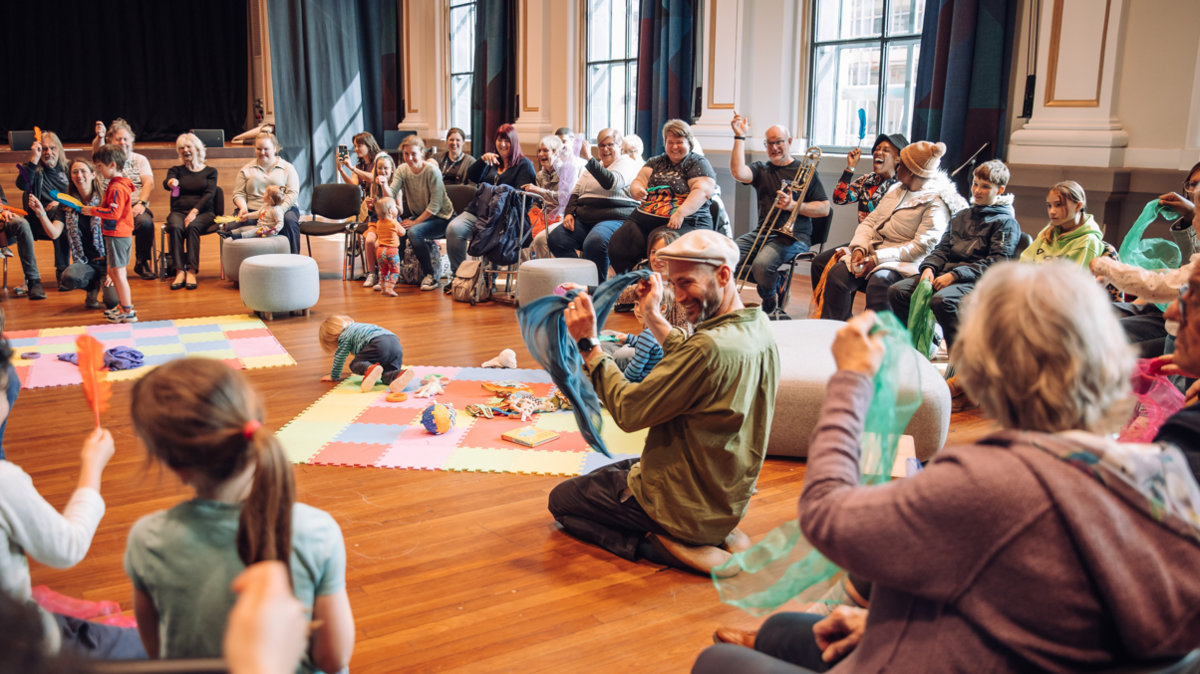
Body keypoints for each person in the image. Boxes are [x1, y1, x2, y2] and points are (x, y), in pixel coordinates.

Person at [711, 262, 1200, 673]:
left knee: (719, 663)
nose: (1175, 309)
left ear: (983, 368)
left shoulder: (991, 478)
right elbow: (1042, 599)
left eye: (1190, 295)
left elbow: (826, 514)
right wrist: (887, 622)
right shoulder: (1166, 472)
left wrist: (852, 380)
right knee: (782, 629)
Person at [551, 229, 778, 575]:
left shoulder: (709, 348)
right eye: (672, 284)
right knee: (623, 467)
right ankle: (716, 533)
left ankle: (659, 541)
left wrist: (589, 345)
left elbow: (628, 410)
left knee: (562, 502)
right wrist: (653, 317)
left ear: (723, 274)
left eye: (686, 282)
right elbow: (697, 362)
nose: (679, 296)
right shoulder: (756, 326)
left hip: (678, 506)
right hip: (725, 500)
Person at [125, 359, 355, 673]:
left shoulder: (148, 539)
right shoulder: (316, 531)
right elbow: (333, 658)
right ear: (255, 422)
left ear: (174, 465)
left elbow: (158, 653)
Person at [0, 338, 144, 658]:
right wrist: (92, 468)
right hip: (18, 644)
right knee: (149, 648)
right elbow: (67, 548)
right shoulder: (5, 483)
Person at [887, 159, 1020, 361]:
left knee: (943, 301)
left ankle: (962, 362)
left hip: (976, 281)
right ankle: (920, 347)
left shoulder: (1006, 222)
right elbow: (943, 248)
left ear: (1000, 190)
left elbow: (997, 262)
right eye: (975, 184)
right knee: (898, 291)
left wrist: (955, 275)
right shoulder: (962, 215)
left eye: (985, 187)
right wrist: (929, 268)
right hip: (947, 273)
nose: (977, 190)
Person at [817, 141, 964, 320]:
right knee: (838, 274)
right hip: (873, 252)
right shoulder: (895, 190)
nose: (897, 165)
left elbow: (921, 248)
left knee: (880, 281)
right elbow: (870, 222)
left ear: (911, 170)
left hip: (905, 263)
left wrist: (877, 259)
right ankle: (834, 332)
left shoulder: (937, 203)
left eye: (900, 162)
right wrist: (859, 248)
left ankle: (876, 342)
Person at [729, 114, 831, 314]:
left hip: (794, 236)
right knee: (726, 255)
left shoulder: (805, 170)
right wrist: (739, 137)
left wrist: (794, 206)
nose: (774, 147)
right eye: (769, 143)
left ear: (790, 142)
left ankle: (770, 303)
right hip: (763, 232)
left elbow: (824, 208)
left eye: (779, 142)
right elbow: (737, 172)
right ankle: (776, 282)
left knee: (761, 266)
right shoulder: (762, 169)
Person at [608, 120, 718, 275]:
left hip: (686, 221)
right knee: (619, 243)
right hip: (645, 217)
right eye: (670, 142)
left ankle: (660, 291)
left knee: (658, 241)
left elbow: (702, 191)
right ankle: (633, 287)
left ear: (689, 143)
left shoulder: (697, 162)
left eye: (679, 142)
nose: (674, 147)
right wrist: (636, 189)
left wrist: (681, 213)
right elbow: (639, 180)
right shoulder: (656, 161)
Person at [547, 128, 645, 281]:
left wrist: (589, 158)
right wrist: (568, 214)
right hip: (586, 219)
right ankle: (581, 280)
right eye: (601, 145)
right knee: (557, 239)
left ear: (619, 146)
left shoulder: (626, 162)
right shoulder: (594, 167)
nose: (605, 149)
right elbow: (576, 192)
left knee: (595, 241)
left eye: (609, 144)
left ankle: (598, 291)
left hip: (614, 218)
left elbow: (610, 183)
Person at [444, 124, 536, 278]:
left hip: (503, 218)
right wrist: (482, 160)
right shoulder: (491, 160)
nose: (503, 144)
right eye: (500, 140)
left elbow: (523, 198)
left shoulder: (523, 164)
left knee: (490, 234)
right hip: (478, 211)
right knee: (454, 229)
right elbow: (472, 176)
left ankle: (488, 281)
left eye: (507, 140)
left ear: (514, 142)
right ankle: (460, 277)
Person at [26, 159, 119, 311]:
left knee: (112, 302)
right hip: (85, 262)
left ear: (93, 174)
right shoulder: (66, 205)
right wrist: (41, 212)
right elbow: (54, 233)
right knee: (68, 278)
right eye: (75, 172)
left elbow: (117, 238)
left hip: (109, 262)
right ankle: (92, 288)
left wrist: (113, 269)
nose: (79, 175)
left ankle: (107, 282)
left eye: (83, 171)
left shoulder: (105, 201)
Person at [92, 119, 157, 280]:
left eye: (126, 139)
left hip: (134, 206)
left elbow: (148, 183)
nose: (122, 142)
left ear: (132, 141)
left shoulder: (140, 159)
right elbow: (97, 150)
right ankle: (107, 264)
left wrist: (141, 203)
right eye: (118, 139)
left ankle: (142, 262)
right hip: (110, 208)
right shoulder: (105, 159)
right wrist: (100, 136)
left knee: (146, 223)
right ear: (110, 142)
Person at [389, 136, 456, 291]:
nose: (409, 158)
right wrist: (384, 186)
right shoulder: (402, 169)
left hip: (442, 217)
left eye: (413, 154)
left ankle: (430, 276)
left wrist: (415, 222)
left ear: (422, 153)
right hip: (423, 217)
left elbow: (435, 205)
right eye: (406, 154)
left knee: (414, 232)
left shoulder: (432, 171)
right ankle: (395, 273)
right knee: (399, 230)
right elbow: (391, 192)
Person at [13, 131, 74, 298]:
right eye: (44, 149)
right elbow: (22, 185)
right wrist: (34, 159)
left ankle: (65, 271)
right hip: (38, 221)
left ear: (60, 149)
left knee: (59, 212)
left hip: (64, 218)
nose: (48, 153)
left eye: (52, 148)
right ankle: (61, 271)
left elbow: (80, 195)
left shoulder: (70, 168)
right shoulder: (33, 168)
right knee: (58, 214)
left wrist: (63, 202)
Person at [84, 145, 138, 325]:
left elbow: (113, 213)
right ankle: (125, 308)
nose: (98, 170)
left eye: (99, 166)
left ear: (112, 165)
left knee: (119, 273)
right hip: (114, 234)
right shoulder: (116, 185)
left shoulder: (117, 188)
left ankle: (128, 311)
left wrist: (92, 210)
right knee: (114, 272)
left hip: (118, 234)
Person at [164, 133, 218, 290]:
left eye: (188, 147)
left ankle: (192, 271)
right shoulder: (176, 170)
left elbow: (210, 195)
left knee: (193, 226)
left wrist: (194, 212)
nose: (185, 150)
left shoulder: (210, 171)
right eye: (181, 148)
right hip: (179, 211)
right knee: (175, 226)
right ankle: (179, 270)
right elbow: (167, 182)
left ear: (198, 149)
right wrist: (170, 182)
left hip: (203, 212)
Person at [232, 132, 302, 254]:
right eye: (258, 149)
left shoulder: (288, 168)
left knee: (289, 223)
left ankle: (293, 261)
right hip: (253, 210)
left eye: (266, 149)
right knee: (232, 227)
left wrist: (279, 210)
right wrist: (243, 208)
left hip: (284, 209)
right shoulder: (245, 170)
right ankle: (244, 265)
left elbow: (292, 193)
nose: (262, 152)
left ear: (274, 148)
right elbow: (238, 194)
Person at [1019, 180, 1104, 268]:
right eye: (1049, 206)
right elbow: (1024, 262)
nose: (1052, 211)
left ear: (1078, 206)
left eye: (1058, 205)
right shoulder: (1048, 231)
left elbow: (1073, 279)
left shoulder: (1087, 241)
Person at [319, 315, 414, 393]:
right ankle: (400, 374)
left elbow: (340, 356)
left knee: (355, 364)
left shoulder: (344, 336)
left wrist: (333, 376)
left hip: (377, 342)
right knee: (387, 375)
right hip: (395, 342)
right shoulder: (358, 326)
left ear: (336, 336)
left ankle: (370, 368)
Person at [525, 135, 581, 259]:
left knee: (540, 239)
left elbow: (566, 198)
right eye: (539, 151)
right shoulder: (540, 175)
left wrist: (538, 190)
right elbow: (537, 201)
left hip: (563, 217)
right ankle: (527, 273)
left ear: (556, 152)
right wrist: (534, 211)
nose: (540, 154)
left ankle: (546, 275)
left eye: (545, 150)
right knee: (519, 234)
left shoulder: (568, 170)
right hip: (543, 217)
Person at [358, 153, 400, 289]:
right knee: (369, 240)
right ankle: (371, 273)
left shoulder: (396, 185)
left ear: (392, 169)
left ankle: (385, 274)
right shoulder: (373, 186)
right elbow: (372, 212)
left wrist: (385, 185)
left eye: (386, 168)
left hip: (389, 225)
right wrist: (370, 207)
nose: (382, 171)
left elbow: (395, 204)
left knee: (378, 245)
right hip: (376, 222)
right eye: (380, 168)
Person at [372, 197, 404, 297]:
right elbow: (403, 232)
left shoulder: (379, 223)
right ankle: (390, 288)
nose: (397, 208)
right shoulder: (394, 223)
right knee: (395, 271)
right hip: (392, 251)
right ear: (391, 211)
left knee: (383, 271)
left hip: (380, 251)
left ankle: (383, 288)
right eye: (395, 207)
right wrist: (397, 222)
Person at [336, 131, 383, 197]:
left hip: (380, 201)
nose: (356, 149)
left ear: (369, 145)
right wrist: (341, 170)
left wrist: (352, 168)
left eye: (359, 146)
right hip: (367, 202)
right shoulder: (359, 166)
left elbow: (373, 178)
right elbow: (353, 185)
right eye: (355, 146)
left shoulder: (380, 158)